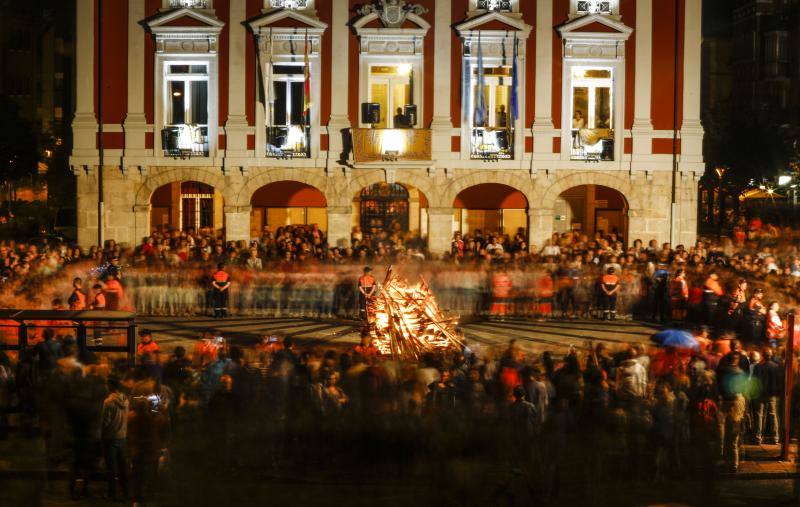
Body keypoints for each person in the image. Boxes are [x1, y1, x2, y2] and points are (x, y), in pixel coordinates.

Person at [102, 374, 129, 501]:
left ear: (111, 386)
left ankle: (112, 493)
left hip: (110, 438)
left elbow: (105, 422)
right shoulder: (126, 400)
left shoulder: (108, 402)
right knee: (123, 466)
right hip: (123, 437)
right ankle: (126, 492)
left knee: (111, 468)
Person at [753, 348, 782, 445]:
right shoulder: (776, 367)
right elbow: (778, 382)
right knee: (773, 416)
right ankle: (775, 438)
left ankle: (758, 438)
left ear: (763, 355)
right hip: (772, 395)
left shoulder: (758, 367)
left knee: (759, 416)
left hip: (760, 395)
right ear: (771, 355)